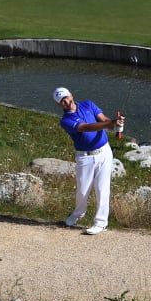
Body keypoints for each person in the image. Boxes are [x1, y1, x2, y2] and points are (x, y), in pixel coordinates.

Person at [53, 86, 125, 235]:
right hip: (85, 156)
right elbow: (86, 127)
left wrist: (116, 124)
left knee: (102, 189)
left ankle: (101, 223)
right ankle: (79, 212)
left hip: (104, 152)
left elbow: (103, 119)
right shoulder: (66, 120)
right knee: (82, 190)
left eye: (66, 97)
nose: (66, 101)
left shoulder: (88, 104)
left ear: (71, 95)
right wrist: (110, 124)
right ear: (59, 104)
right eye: (62, 101)